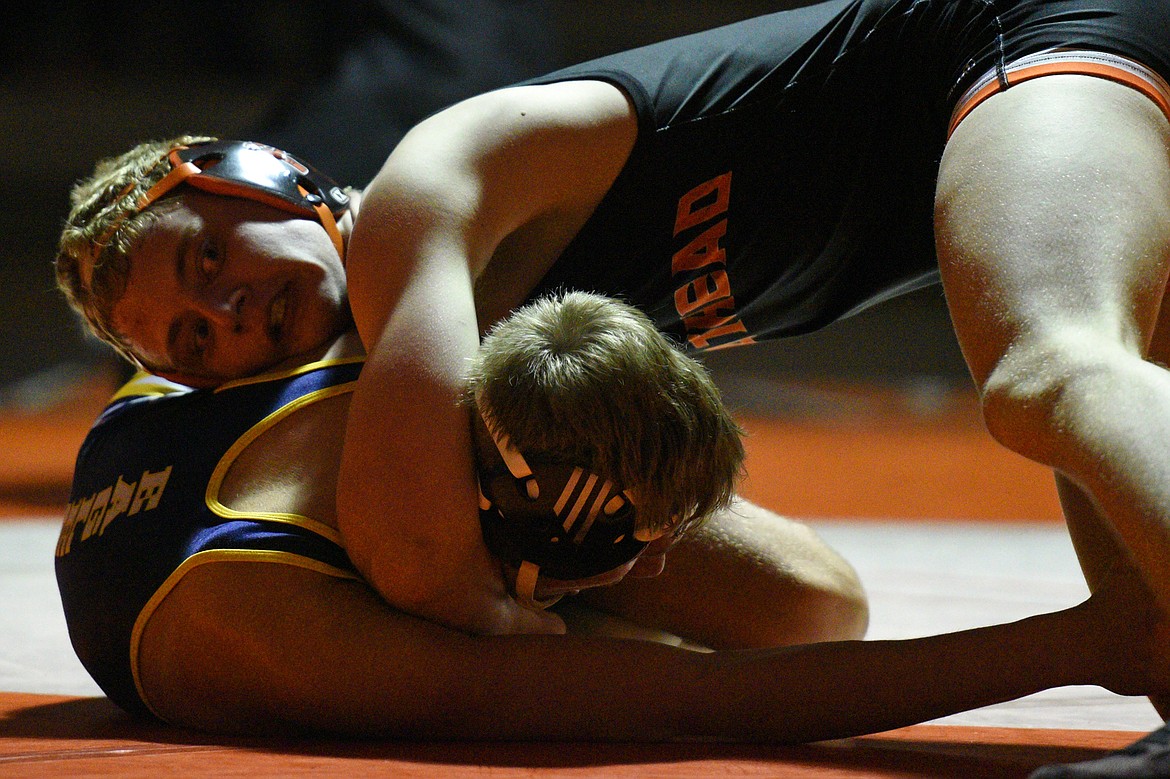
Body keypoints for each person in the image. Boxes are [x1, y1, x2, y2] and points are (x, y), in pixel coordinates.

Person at [52, 0, 1170, 763]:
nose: (229, 312)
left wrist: (506, 600)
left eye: (210, 262)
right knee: (1151, 600)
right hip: (1010, 117)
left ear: (276, 182)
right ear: (186, 385)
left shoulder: (414, 203)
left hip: (1015, 38)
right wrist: (558, 573)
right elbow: (809, 610)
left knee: (1050, 368)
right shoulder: (339, 388)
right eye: (193, 339)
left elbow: (416, 556)